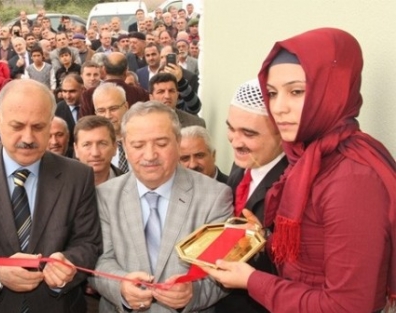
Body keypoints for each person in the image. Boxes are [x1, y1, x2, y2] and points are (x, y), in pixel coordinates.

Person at [203, 28, 396, 313]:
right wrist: (266, 240)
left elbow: (349, 306)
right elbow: (311, 260)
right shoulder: (308, 156)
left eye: (296, 91)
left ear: (333, 89)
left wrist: (253, 281)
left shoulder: (352, 177)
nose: (278, 108)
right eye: (272, 93)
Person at [0, 79, 102, 313]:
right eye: (17, 126)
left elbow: (89, 243)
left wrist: (67, 264)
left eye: (38, 127)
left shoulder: (77, 176)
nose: (28, 138)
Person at [90, 101, 232, 312]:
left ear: (178, 141)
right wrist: (121, 286)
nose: (150, 155)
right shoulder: (105, 196)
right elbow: (99, 261)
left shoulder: (215, 197)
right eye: (138, 145)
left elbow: (223, 270)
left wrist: (193, 293)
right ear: (125, 146)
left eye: (161, 143)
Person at [214, 78, 286, 313]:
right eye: (231, 128)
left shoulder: (293, 183)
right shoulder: (242, 166)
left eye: (248, 133)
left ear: (281, 134)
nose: (235, 141)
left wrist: (265, 241)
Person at [73, 115, 122, 186]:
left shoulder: (133, 186)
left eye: (102, 144)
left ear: (115, 147)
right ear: (76, 149)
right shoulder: (62, 187)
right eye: (87, 145)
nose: (95, 153)